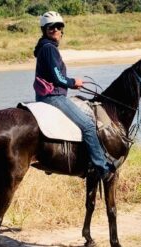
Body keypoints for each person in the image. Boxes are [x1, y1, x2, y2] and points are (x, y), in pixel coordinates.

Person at [33, 11, 115, 181]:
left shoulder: (45, 47)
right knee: (88, 125)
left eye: (59, 26)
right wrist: (73, 82)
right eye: (51, 27)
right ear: (45, 30)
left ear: (62, 30)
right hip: (53, 97)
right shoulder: (49, 49)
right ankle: (102, 167)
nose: (56, 30)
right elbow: (58, 77)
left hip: (47, 96)